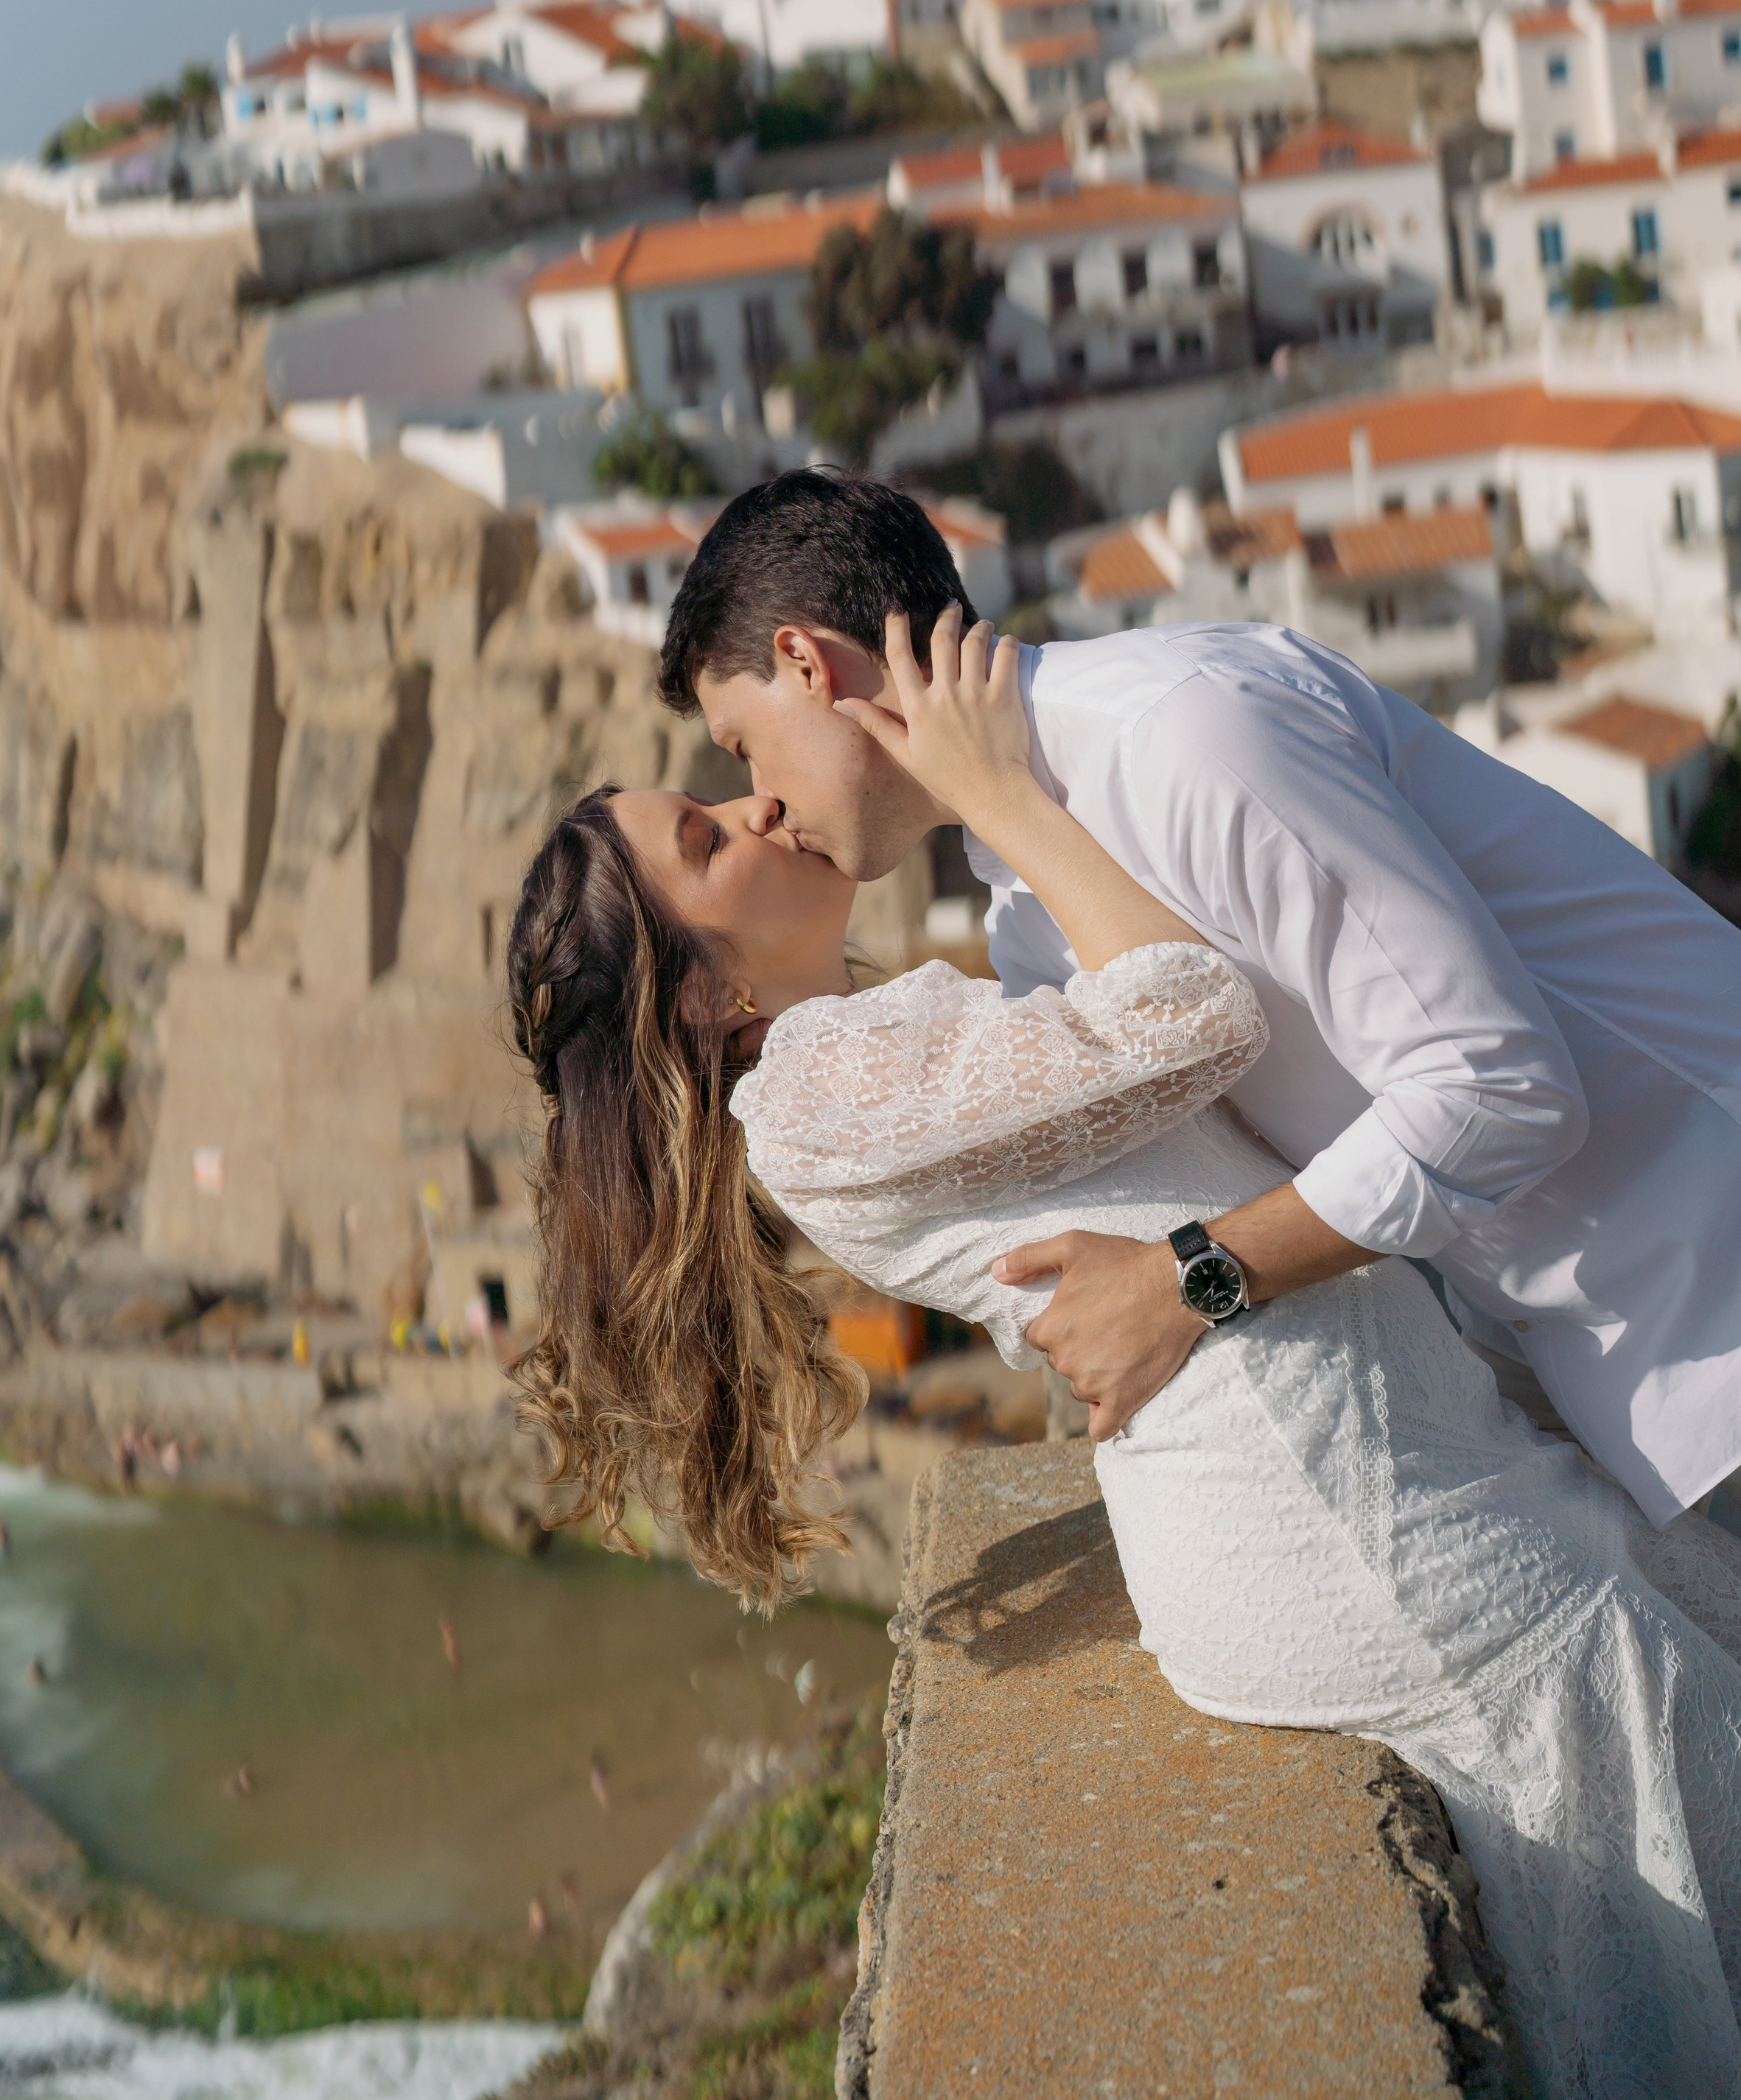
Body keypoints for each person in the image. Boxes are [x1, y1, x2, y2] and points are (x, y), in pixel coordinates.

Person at [507, 605, 1741, 2093]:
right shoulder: (827, 1080)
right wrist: (997, 791)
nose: (754, 808)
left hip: (1340, 1492)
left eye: (722, 783)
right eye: (708, 836)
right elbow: (1189, 1009)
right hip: (1352, 1520)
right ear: (709, 993)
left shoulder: (861, 1056)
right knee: (1645, 1803)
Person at [654, 471, 1741, 1531]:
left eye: (743, 745)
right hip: (1629, 1377)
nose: (761, 800)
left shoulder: (1186, 736)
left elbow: (1502, 1089)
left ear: (806, 663)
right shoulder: (1031, 910)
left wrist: (1187, 1282)